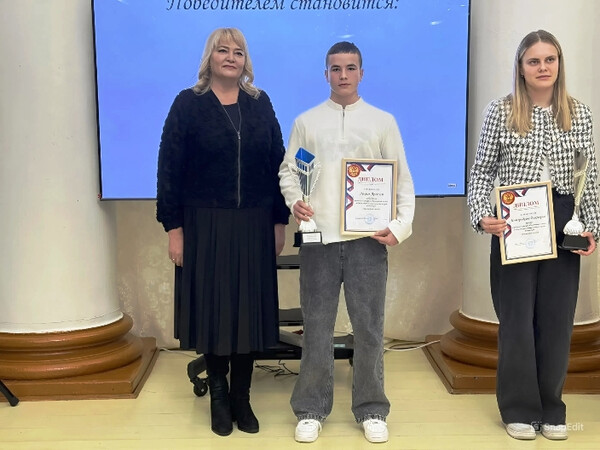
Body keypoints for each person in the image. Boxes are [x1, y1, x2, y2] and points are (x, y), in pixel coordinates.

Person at [279, 41, 415, 443]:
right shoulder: (306, 122)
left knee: (369, 329)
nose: (343, 75)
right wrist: (296, 201)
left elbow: (401, 179)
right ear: (326, 74)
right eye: (335, 69)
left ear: (361, 73)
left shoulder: (382, 121)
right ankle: (311, 409)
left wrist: (400, 225)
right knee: (317, 328)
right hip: (318, 240)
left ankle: (372, 409)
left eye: (350, 68)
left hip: (367, 241)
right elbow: (289, 171)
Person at [156, 27, 289, 437]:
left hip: (254, 222)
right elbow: (169, 169)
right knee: (214, 314)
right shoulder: (188, 104)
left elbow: (279, 162)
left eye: (238, 52)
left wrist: (280, 220)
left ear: (246, 61)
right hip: (205, 224)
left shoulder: (260, 103)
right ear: (209, 58)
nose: (231, 57)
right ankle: (218, 395)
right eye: (222, 50)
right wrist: (173, 228)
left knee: (248, 314)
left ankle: (241, 397)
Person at [467, 30, 599, 441]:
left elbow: (590, 178)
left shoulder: (580, 114)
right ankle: (520, 408)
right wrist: (482, 215)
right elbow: (481, 172)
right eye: (534, 61)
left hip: (564, 222)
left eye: (550, 59)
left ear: (559, 64)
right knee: (517, 321)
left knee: (557, 321)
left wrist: (591, 226)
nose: (543, 67)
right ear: (521, 68)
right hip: (515, 220)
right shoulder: (500, 111)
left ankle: (552, 408)